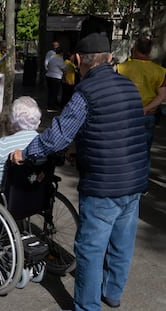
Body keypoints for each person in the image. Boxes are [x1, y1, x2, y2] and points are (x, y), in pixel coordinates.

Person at [10, 33, 148, 311]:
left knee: (91, 249)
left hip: (103, 186)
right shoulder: (129, 87)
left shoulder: (86, 92)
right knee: (122, 243)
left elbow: (57, 137)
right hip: (134, 181)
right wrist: (80, 150)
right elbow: (122, 130)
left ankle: (87, 307)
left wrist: (24, 154)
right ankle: (111, 293)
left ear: (77, 60)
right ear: (109, 58)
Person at [117, 37, 166, 177]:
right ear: (150, 51)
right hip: (147, 115)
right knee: (144, 151)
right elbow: (162, 96)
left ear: (134, 48)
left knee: (123, 148)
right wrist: (145, 109)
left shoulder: (122, 68)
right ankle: (142, 184)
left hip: (125, 115)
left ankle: (123, 180)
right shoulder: (160, 71)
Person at [45, 46, 66, 112]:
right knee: (54, 92)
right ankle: (51, 107)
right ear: (61, 53)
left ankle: (50, 105)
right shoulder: (59, 59)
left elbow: (48, 64)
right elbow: (64, 68)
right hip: (56, 77)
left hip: (49, 76)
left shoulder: (52, 57)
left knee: (50, 92)